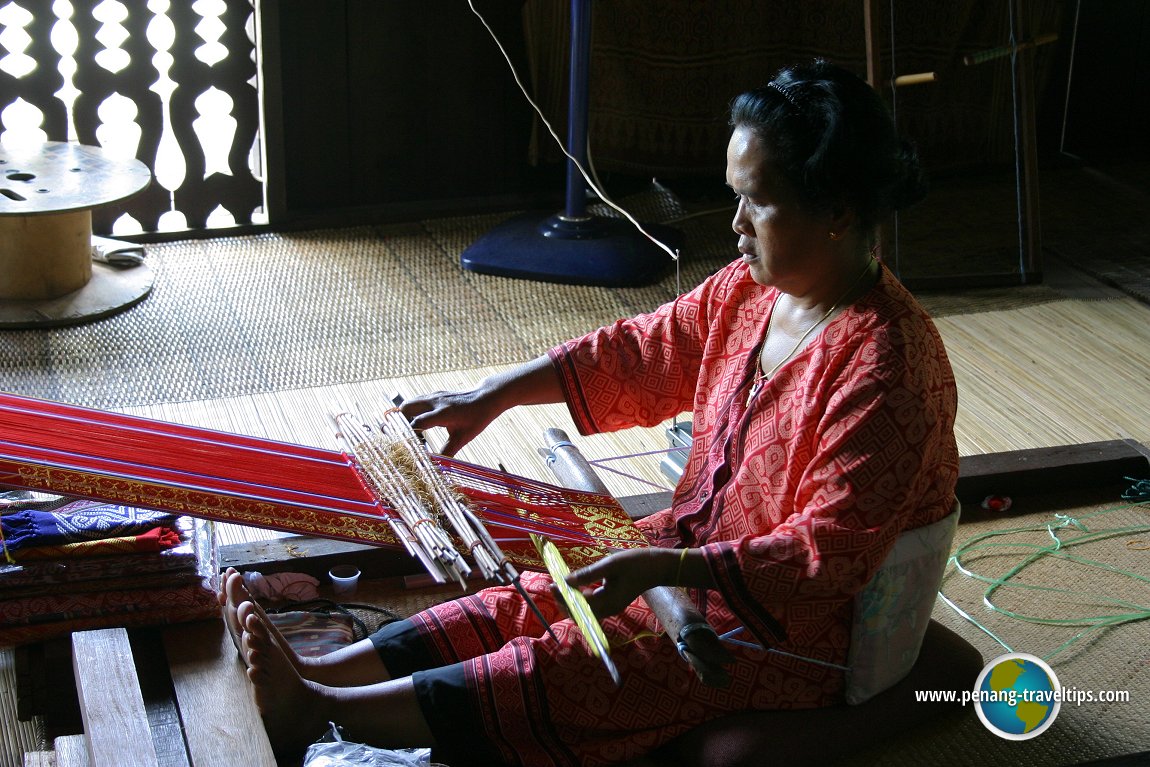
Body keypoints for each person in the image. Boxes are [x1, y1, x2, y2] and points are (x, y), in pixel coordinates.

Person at [221, 58, 958, 766]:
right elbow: (642, 351)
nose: (734, 221)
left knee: (578, 659)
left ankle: (320, 706)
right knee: (533, 600)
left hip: (797, 628)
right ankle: (332, 667)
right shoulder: (750, 290)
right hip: (687, 558)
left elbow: (828, 557)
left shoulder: (887, 365)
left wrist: (667, 565)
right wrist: (495, 392)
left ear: (835, 211)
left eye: (756, 202)